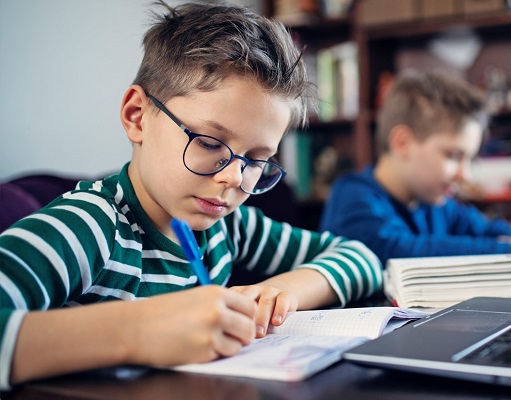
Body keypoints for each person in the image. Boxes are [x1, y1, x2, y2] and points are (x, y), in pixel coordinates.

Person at [0, 1, 381, 389]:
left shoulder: (227, 228)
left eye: (256, 160)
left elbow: (361, 258)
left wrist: (283, 291)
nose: (234, 178)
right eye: (209, 142)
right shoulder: (88, 227)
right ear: (137, 115)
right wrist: (138, 332)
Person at [319, 70, 511, 265]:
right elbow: (399, 250)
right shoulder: (351, 196)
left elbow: (487, 229)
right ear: (403, 143)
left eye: (470, 160)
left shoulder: (435, 203)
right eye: (454, 155)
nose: (465, 174)